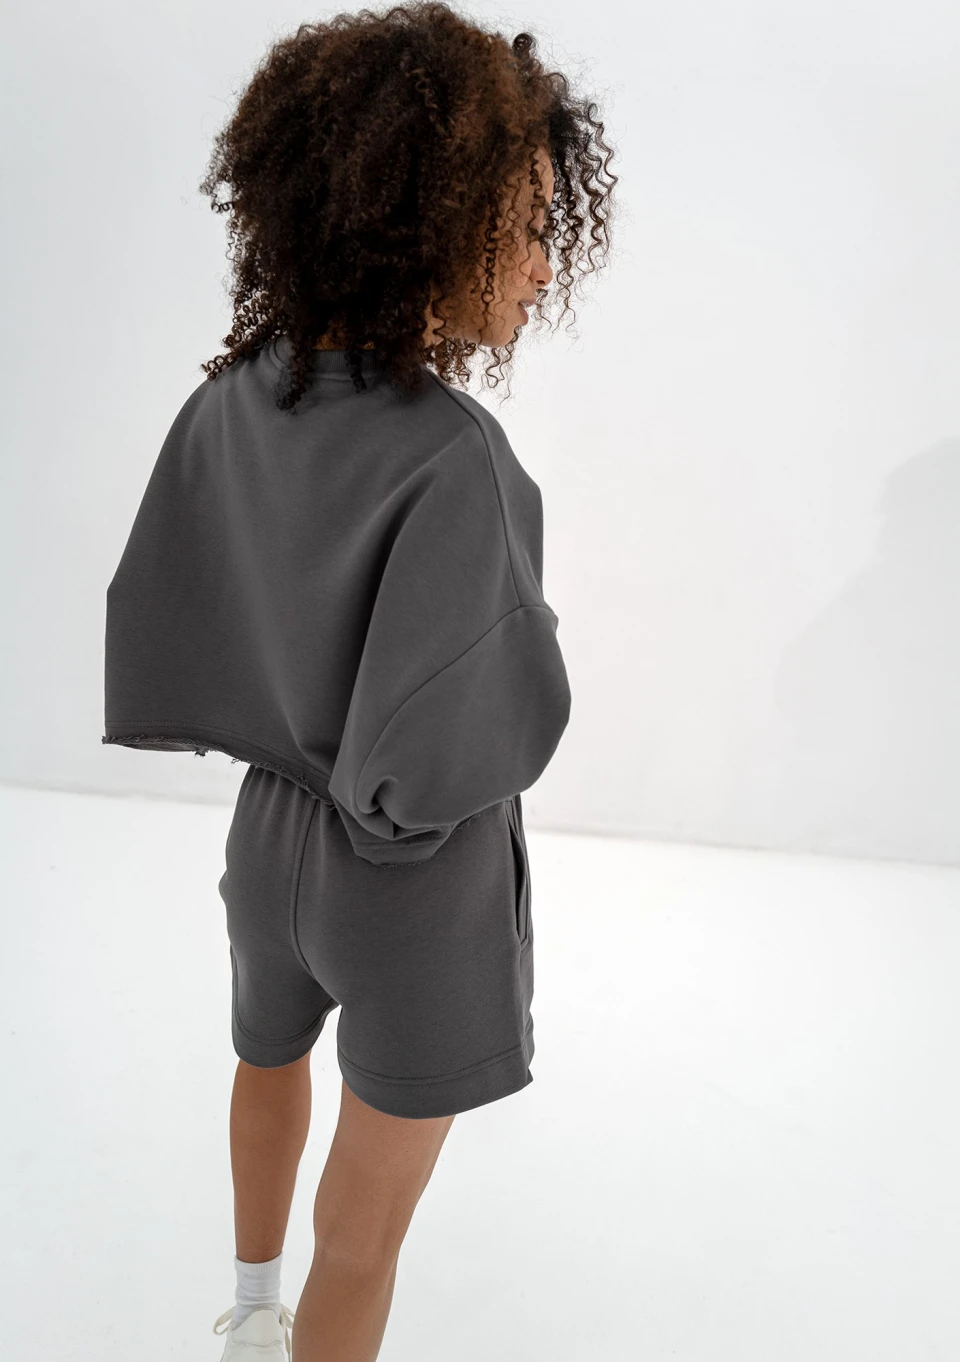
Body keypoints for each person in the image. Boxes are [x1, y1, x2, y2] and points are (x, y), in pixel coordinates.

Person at [100, 4, 617, 1359]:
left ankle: (249, 1313)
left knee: (262, 1064)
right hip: (411, 884)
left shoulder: (232, 399)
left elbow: (170, 603)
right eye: (523, 223)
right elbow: (480, 720)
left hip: (265, 835)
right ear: (426, 225)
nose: (540, 262)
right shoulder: (456, 455)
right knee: (370, 1222)